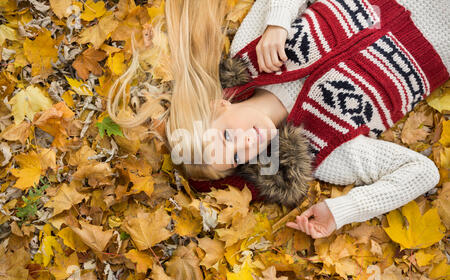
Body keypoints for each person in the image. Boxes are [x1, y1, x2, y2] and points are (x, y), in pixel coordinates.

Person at [107, 0, 450, 239]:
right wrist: (343, 210)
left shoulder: (250, 52)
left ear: (218, 107)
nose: (249, 144)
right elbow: (423, 173)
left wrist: (278, 21)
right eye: (239, 157)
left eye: (227, 137)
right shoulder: (323, 151)